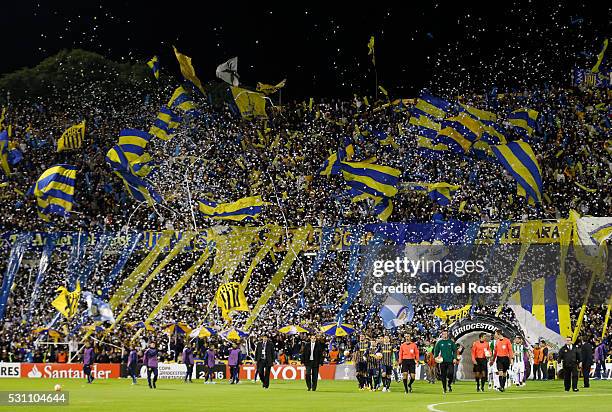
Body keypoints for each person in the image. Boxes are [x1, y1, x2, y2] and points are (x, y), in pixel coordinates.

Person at [433, 330, 457, 394]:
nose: (445, 335)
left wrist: (455, 358)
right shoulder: (439, 343)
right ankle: (444, 388)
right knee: (443, 375)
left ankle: (449, 384)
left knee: (451, 373)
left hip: (450, 361)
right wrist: (436, 357)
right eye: (443, 334)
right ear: (442, 335)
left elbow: (455, 351)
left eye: (446, 334)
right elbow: (436, 351)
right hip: (442, 361)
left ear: (447, 335)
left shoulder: (451, 342)